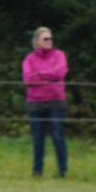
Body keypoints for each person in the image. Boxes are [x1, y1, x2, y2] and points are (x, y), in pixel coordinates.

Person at [22, 27, 69, 178]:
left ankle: (62, 171)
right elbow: (28, 79)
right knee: (38, 139)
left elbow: (60, 72)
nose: (49, 41)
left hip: (56, 101)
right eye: (45, 39)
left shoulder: (59, 55)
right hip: (35, 103)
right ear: (37, 41)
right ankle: (37, 171)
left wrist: (40, 75)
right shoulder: (29, 58)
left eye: (50, 38)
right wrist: (50, 77)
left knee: (58, 136)